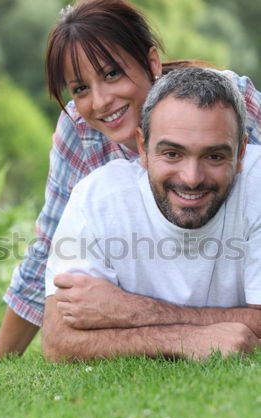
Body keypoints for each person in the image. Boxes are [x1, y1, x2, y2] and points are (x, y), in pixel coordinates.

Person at [0, 0, 261, 360]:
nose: (100, 101)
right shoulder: (80, 131)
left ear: (151, 63)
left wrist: (130, 310)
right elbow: (49, 246)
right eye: (80, 88)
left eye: (112, 73)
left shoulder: (224, 102)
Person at [42, 67, 261, 362]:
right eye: (172, 154)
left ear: (241, 154)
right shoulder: (96, 198)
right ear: (143, 147)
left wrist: (129, 310)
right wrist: (186, 340)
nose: (192, 177)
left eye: (214, 156)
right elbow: (58, 341)